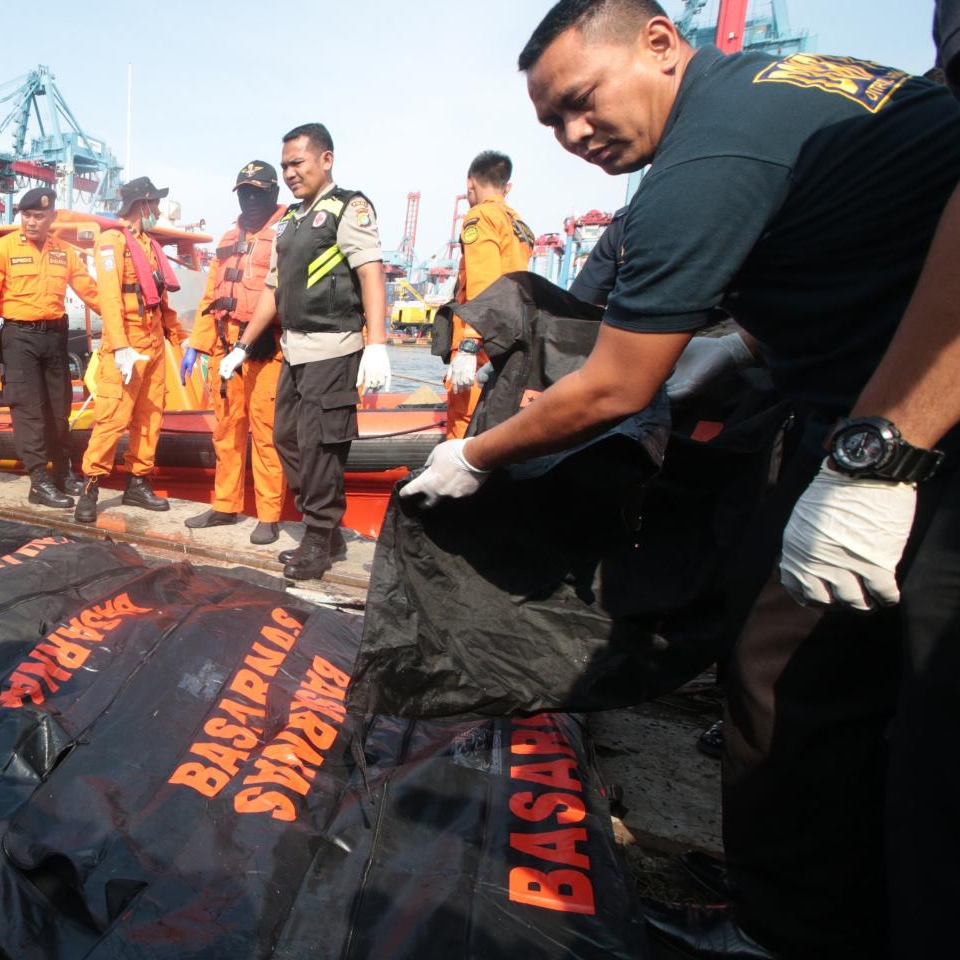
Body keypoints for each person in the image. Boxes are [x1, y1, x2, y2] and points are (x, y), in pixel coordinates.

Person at [403, 2, 960, 956]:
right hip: (863, 387)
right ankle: (813, 909)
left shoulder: (698, 169)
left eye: (581, 102)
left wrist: (473, 455)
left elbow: (614, 387)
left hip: (916, 421)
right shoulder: (794, 92)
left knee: (869, 716)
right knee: (797, 666)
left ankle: (810, 926)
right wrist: (740, 347)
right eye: (551, 125)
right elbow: (858, 238)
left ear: (663, 43)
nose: (575, 136)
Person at [221, 124, 391, 580]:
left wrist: (377, 344)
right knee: (286, 440)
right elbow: (273, 290)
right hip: (295, 351)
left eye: (297, 163)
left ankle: (319, 538)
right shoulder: (292, 221)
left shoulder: (347, 208)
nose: (290, 173)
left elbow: (372, 274)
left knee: (320, 447)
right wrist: (241, 345)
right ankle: (327, 531)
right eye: (285, 167)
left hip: (334, 349)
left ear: (326, 159)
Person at [0, 187, 100, 508]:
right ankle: (39, 482)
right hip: (19, 338)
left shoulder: (65, 252)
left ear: (52, 217)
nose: (30, 222)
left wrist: (122, 323)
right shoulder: (2, 249)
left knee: (58, 411)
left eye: (38, 216)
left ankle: (62, 474)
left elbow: (91, 291)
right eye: (26, 215)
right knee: (29, 412)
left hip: (55, 337)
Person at [184, 161, 288, 544]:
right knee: (227, 431)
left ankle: (269, 515)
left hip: (265, 348)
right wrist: (197, 344)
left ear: (273, 194)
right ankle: (226, 506)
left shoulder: (287, 231)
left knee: (266, 432)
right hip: (225, 346)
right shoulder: (229, 236)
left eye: (258, 192)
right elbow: (212, 295)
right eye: (244, 192)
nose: (250, 199)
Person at [73, 177, 187, 523]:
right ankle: (90, 488)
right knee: (112, 418)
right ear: (143, 204)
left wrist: (181, 338)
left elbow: (158, 297)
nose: (158, 211)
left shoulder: (148, 245)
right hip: (126, 347)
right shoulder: (111, 242)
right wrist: (121, 346)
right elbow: (109, 297)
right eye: (155, 204)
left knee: (150, 416)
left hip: (152, 343)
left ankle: (138, 482)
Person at [443, 150, 535, 439]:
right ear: (507, 187)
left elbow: (483, 284)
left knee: (464, 420)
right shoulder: (519, 224)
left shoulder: (481, 217)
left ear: (471, 184)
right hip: (510, 338)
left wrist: (470, 344)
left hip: (482, 341)